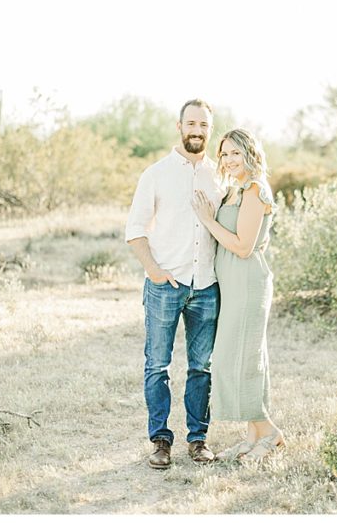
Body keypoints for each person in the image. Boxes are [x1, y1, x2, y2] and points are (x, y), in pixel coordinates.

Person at [126, 99, 223, 469]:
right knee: (158, 365)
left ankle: (198, 439)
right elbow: (135, 230)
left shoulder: (220, 175)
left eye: (203, 125)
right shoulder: (156, 173)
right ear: (179, 126)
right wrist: (152, 269)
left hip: (207, 286)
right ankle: (160, 441)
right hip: (166, 283)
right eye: (191, 123)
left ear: (209, 129)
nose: (197, 130)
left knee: (202, 367)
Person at [192, 128, 284, 462]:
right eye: (225, 153)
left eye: (236, 153)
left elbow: (244, 247)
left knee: (242, 357)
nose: (230, 160)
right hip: (229, 284)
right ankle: (252, 436)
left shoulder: (256, 189)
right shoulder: (234, 190)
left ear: (251, 153)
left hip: (247, 282)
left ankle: (270, 432)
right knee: (238, 357)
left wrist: (207, 220)